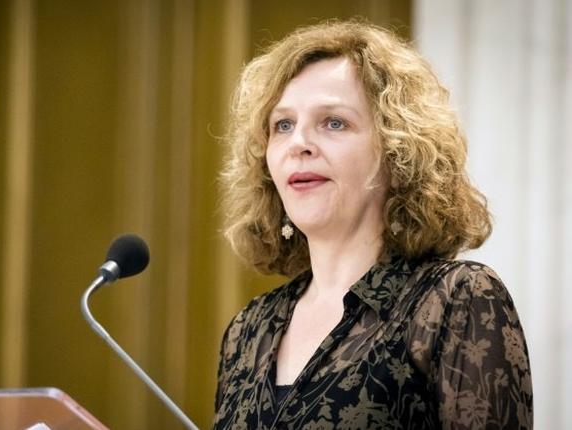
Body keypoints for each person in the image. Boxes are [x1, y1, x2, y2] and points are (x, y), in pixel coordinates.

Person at [214, 20, 532, 429]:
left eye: (333, 122)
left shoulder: (457, 300)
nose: (299, 144)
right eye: (283, 125)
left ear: (397, 151)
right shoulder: (247, 330)